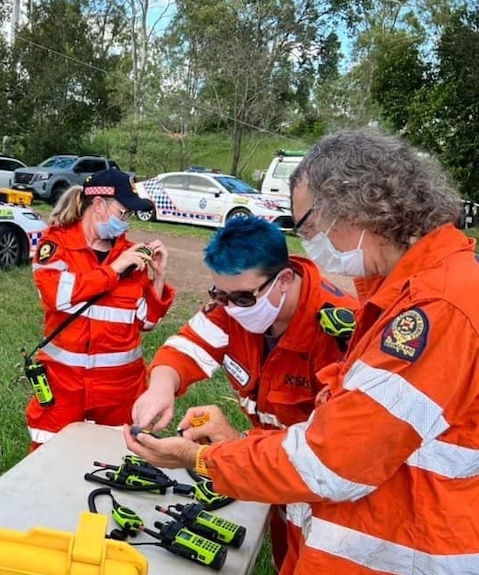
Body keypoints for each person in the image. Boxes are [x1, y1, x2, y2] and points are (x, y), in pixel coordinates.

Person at [124, 128, 479, 575]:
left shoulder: (433, 309)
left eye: (307, 226)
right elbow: (190, 347)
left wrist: (198, 458)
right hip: (313, 515)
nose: (308, 239)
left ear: (350, 209)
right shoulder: (401, 297)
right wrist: (169, 390)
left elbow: (330, 458)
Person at [131, 215, 357, 569]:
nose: (230, 308)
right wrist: (161, 388)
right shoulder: (233, 306)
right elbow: (185, 348)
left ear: (283, 280)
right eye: (218, 294)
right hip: (274, 478)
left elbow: (333, 451)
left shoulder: (340, 333)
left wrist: (235, 440)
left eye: (241, 297)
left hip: (331, 498)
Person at [27, 169, 175, 451]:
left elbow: (146, 321)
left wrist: (159, 278)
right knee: (49, 452)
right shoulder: (55, 245)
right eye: (123, 213)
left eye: (129, 216)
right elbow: (57, 295)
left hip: (120, 386)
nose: (125, 223)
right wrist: (114, 270)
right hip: (63, 381)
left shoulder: (131, 254)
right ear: (98, 205)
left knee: (119, 455)